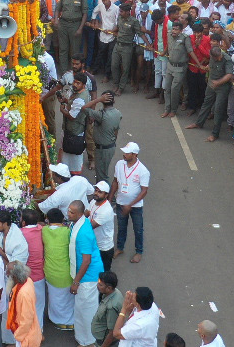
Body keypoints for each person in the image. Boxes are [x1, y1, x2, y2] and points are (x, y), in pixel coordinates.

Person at [67, 200, 103, 347]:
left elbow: (86, 261)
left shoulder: (83, 233)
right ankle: (82, 337)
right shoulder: (78, 223)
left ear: (80, 214)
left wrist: (76, 282)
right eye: (69, 210)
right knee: (81, 308)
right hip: (84, 273)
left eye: (72, 212)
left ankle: (89, 342)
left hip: (89, 276)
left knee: (87, 310)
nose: (68, 214)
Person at [111, 142, 149, 262]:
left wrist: (130, 205)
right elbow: (115, 181)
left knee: (138, 229)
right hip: (121, 202)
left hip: (136, 206)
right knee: (121, 227)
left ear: (135, 154)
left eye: (127, 153)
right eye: (124, 152)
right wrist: (110, 197)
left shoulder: (143, 171)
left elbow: (144, 191)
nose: (124, 155)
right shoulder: (119, 164)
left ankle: (139, 251)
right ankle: (120, 247)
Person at [5, 261, 41, 347]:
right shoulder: (27, 280)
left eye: (8, 273)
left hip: (26, 336)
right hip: (23, 331)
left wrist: (18, 336)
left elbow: (26, 321)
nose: (6, 274)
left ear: (14, 276)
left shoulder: (24, 294)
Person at [91, 272, 122, 347]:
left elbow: (112, 332)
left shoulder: (111, 307)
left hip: (104, 342)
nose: (97, 286)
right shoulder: (114, 292)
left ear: (109, 288)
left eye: (100, 285)